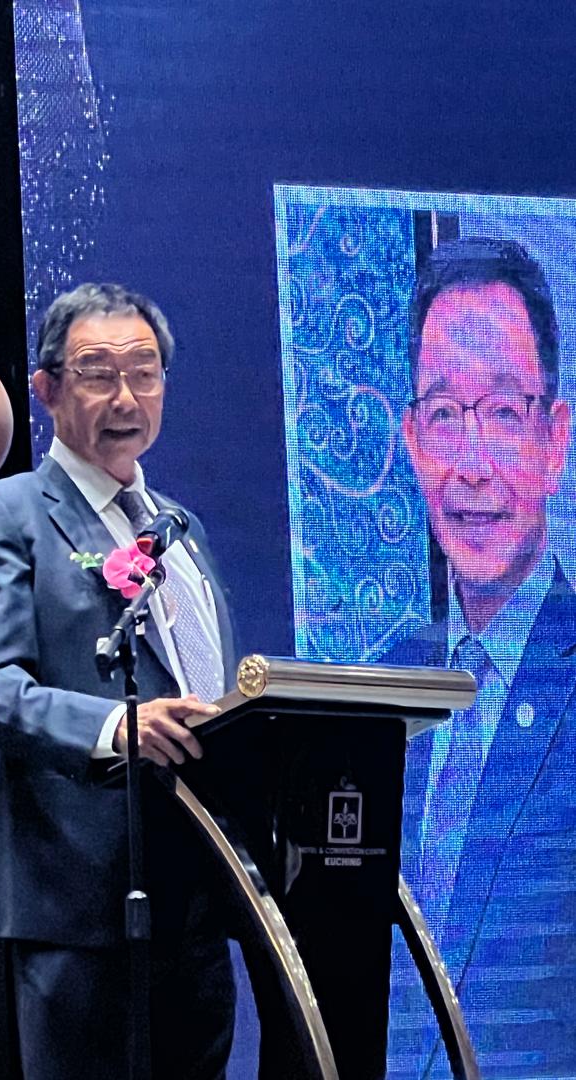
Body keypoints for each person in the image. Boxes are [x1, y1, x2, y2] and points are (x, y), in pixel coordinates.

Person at [0, 283, 237, 1080]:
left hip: (198, 899)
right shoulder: (6, 514)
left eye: (144, 372)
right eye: (98, 374)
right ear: (46, 390)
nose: (125, 397)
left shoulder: (180, 527)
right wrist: (116, 729)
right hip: (77, 901)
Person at [385, 237, 576, 1077]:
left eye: (502, 413)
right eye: (443, 416)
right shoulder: (385, 679)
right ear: (412, 440)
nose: (471, 465)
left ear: (555, 440)